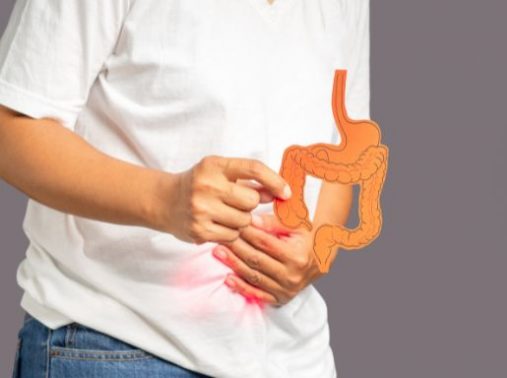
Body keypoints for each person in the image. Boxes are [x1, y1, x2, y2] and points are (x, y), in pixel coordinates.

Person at [0, 0, 370, 376]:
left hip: (295, 355)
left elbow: (347, 147)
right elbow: (10, 131)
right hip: (118, 336)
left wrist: (317, 247)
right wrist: (165, 200)